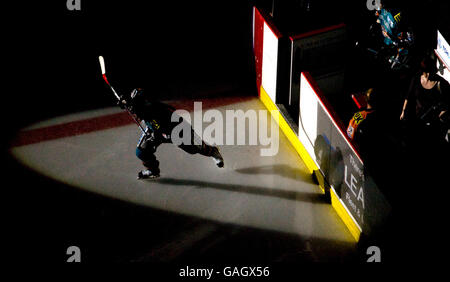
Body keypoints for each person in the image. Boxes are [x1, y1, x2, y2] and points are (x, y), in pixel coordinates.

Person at [119, 88, 224, 179]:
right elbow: (136, 111)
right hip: (155, 131)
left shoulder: (157, 110)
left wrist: (158, 134)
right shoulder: (141, 108)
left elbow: (160, 126)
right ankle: (153, 171)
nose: (134, 108)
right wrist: (125, 103)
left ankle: (213, 151)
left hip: (176, 132)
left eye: (136, 104)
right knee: (141, 151)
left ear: (144, 102)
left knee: (194, 149)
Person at [399, 57, 449, 144]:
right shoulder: (416, 78)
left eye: (431, 71)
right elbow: (408, 95)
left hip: (432, 123)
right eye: (427, 71)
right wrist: (403, 111)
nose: (429, 74)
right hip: (416, 118)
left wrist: (442, 114)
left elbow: (447, 102)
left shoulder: (441, 83)